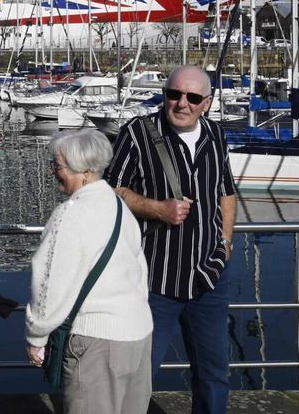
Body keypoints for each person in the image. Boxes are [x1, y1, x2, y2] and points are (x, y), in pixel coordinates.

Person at [103, 65, 237, 414]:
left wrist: (224, 242)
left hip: (209, 278)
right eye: (174, 94)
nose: (181, 103)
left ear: (206, 103)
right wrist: (156, 209)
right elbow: (110, 191)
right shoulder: (137, 133)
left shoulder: (216, 135)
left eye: (192, 98)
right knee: (138, 375)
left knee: (213, 375)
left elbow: (226, 192)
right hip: (154, 280)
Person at [25, 129, 153, 414]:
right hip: (138, 333)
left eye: (57, 166)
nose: (53, 172)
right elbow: (139, 271)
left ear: (83, 171)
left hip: (98, 342)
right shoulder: (120, 208)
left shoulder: (71, 214)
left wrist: (37, 336)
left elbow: (49, 280)